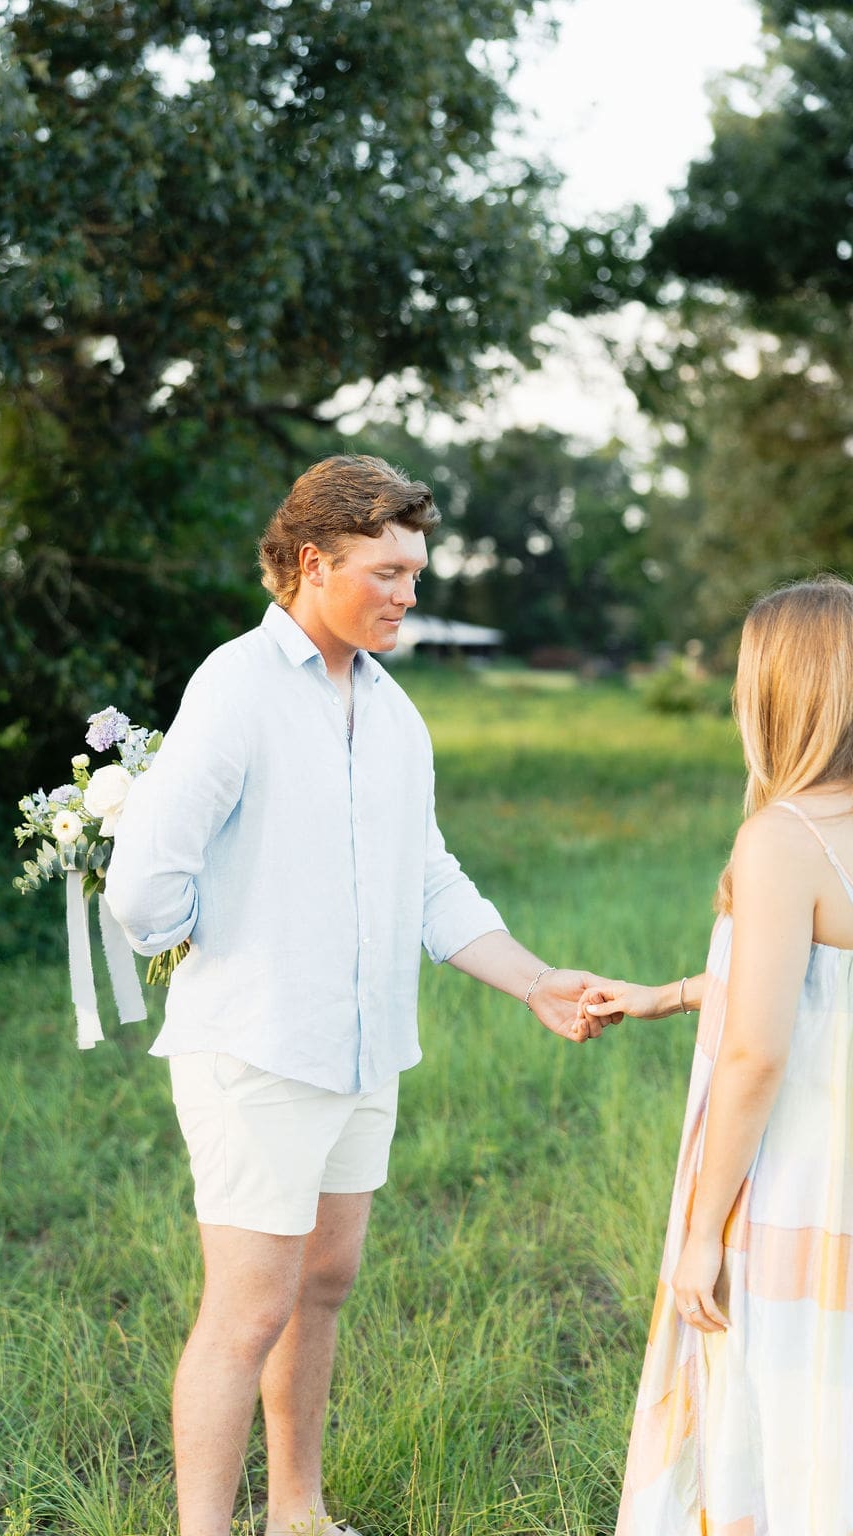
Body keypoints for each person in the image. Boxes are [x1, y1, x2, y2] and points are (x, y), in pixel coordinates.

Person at [104, 454, 611, 1536]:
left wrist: (530, 981)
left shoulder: (390, 713)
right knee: (247, 1311)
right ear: (308, 560)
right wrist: (215, 959)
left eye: (415, 573)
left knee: (323, 1283)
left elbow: (429, 878)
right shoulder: (234, 687)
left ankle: (297, 1511)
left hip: (366, 1049)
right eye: (387, 572)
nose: (408, 595)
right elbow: (145, 878)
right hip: (257, 1053)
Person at [582, 576, 853, 1534]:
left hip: (801, 1186)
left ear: (779, 693)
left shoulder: (787, 838)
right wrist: (678, 992)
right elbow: (827, 993)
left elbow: (756, 1058)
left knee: (791, 1417)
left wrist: (701, 1232)